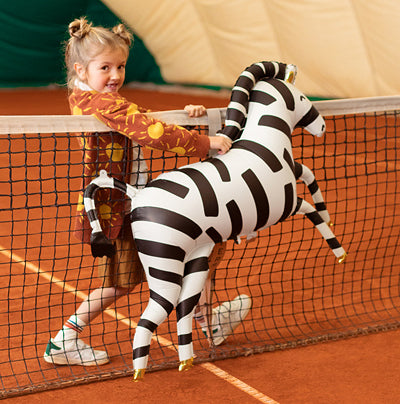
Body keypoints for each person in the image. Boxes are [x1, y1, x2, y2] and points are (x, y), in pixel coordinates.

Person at [44, 17, 251, 366]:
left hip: (137, 199)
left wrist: (187, 117)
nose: (115, 75)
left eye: (120, 66)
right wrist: (205, 141)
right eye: (105, 67)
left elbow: (139, 116)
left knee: (199, 248)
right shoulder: (101, 104)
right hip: (118, 207)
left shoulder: (91, 98)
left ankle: (207, 319)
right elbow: (150, 131)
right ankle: (65, 339)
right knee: (123, 282)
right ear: (81, 68)